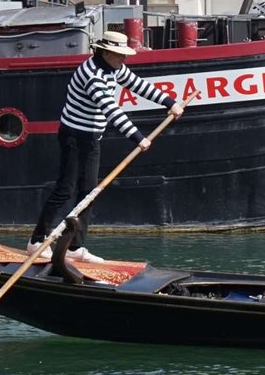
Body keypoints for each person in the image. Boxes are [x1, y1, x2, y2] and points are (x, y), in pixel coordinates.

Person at [28, 30, 183, 262]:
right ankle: (37, 240)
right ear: (106, 52)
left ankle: (75, 247)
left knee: (89, 192)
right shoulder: (92, 75)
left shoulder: (115, 68)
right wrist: (138, 138)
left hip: (92, 137)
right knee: (66, 189)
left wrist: (169, 102)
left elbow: (138, 85)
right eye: (120, 54)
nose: (124, 59)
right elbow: (111, 110)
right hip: (73, 136)